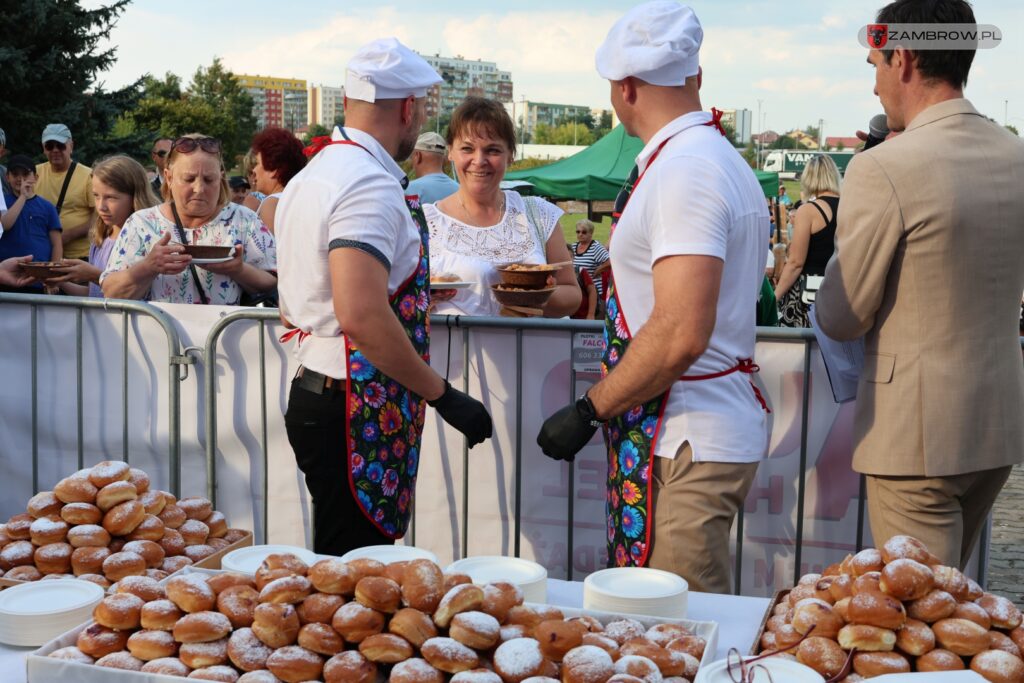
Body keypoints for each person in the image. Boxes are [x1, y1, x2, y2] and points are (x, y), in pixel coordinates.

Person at [537, 1, 770, 593]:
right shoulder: (703, 155)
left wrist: (589, 408)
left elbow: (681, 330)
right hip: (686, 426)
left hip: (687, 433)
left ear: (624, 88)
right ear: (694, 76)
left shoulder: (685, 169)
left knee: (678, 625)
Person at [814, 0, 1024, 569]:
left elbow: (841, 314)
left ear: (902, 58)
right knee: (954, 606)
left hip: (915, 432)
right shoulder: (1015, 153)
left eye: (875, 64)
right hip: (996, 419)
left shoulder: (885, 166)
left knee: (919, 619)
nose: (875, 84)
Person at [275, 37, 494, 556]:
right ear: (407, 108)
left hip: (323, 387)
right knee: (355, 578)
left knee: (345, 564)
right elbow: (362, 312)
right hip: (352, 404)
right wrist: (443, 395)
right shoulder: (367, 183)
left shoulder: (317, 174)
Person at [426, 97, 580, 317]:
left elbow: (572, 294)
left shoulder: (537, 213)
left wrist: (535, 298)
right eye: (467, 148)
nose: (479, 160)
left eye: (493, 150)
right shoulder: (425, 222)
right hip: (456, 350)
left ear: (511, 155)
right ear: (450, 151)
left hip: (528, 350)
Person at [101, 134, 277, 304]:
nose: (199, 188)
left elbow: (273, 281)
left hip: (225, 334)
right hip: (156, 334)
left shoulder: (244, 220)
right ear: (169, 178)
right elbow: (110, 291)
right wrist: (148, 267)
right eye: (189, 179)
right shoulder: (142, 223)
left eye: (209, 179)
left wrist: (239, 270)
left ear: (221, 177)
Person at [48, 156, 160, 297]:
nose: (101, 207)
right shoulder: (101, 238)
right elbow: (93, 294)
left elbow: (130, 293)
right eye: (96, 196)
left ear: (134, 196)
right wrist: (59, 280)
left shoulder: (146, 240)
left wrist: (93, 275)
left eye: (111, 197)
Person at [774, 154, 841, 327]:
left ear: (809, 177)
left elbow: (796, 262)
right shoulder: (849, 207)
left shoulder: (808, 211)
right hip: (840, 294)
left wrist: (774, 297)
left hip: (808, 299)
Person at [0, 155, 62, 293]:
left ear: (36, 177)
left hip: (38, 280)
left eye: (26, 174)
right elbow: (4, 224)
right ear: (7, 177)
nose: (20, 179)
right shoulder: (2, 202)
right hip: (6, 277)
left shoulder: (47, 207)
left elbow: (56, 244)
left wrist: (54, 276)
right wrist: (23, 196)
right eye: (15, 174)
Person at [35, 124, 95, 261]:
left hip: (79, 256)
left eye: (61, 145)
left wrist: (68, 235)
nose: (55, 150)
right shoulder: (34, 173)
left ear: (71, 146)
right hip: (44, 255)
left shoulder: (88, 176)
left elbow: (98, 217)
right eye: (50, 146)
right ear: (44, 149)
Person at [250, 127, 306, 234]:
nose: (254, 170)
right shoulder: (298, 198)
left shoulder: (271, 203)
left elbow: (269, 249)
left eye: (257, 163)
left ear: (273, 169)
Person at [406, 132, 459, 204]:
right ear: (444, 158)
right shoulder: (460, 190)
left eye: (412, 157)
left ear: (417, 156)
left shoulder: (410, 191)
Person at [570, 218, 610, 303]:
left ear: (591, 233)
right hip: (577, 291)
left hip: (592, 292)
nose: (580, 234)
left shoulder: (595, 247)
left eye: (584, 232)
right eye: (578, 232)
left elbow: (610, 262)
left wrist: (598, 270)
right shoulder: (573, 247)